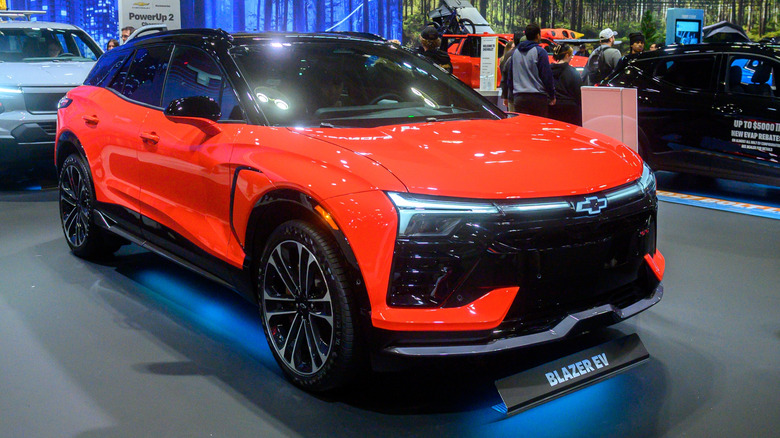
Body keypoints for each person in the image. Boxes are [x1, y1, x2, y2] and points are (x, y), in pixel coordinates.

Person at [500, 24, 556, 118]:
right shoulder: (540, 52)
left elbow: (510, 77)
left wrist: (509, 96)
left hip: (519, 98)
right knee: (537, 128)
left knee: (523, 128)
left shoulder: (515, 53)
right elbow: (546, 76)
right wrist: (552, 95)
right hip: (538, 98)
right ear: (538, 36)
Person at [549, 44, 582, 126]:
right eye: (571, 55)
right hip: (570, 111)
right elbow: (578, 93)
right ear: (567, 55)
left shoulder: (548, 70)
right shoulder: (572, 72)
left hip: (552, 109)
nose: (572, 57)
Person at [498, 40, 516, 111]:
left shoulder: (506, 59)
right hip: (510, 90)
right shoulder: (505, 60)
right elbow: (504, 78)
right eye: (512, 48)